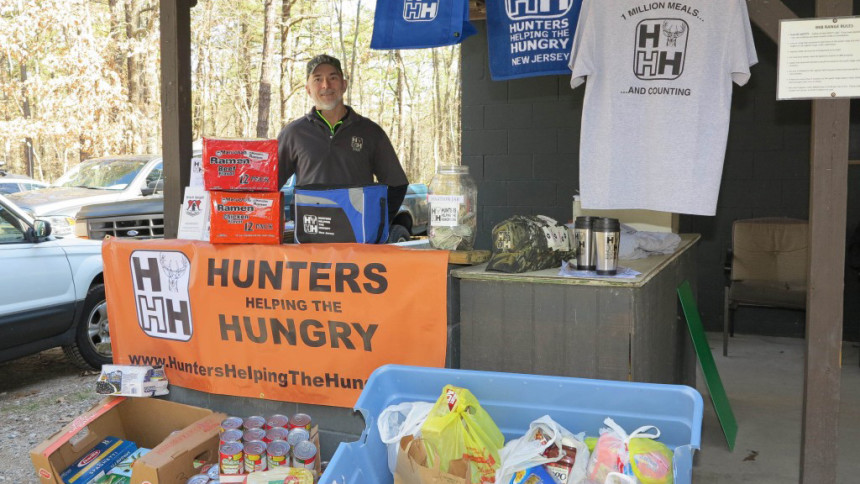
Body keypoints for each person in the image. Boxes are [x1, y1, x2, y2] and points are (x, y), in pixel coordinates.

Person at [277, 54, 409, 224]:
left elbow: (396, 184)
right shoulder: (293, 133)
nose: (326, 85)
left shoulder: (370, 131)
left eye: (333, 77)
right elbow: (269, 186)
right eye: (317, 79)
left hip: (358, 241)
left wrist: (376, 223)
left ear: (344, 85)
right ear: (308, 89)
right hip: (310, 240)